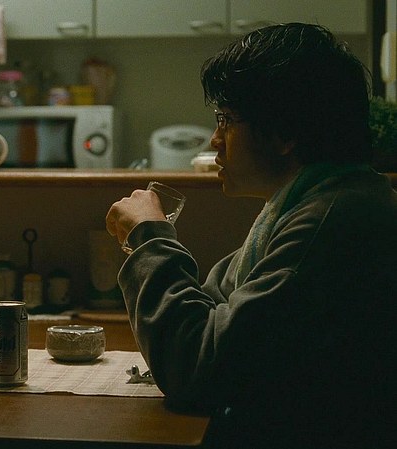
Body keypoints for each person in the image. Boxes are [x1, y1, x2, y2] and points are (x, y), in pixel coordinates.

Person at [105, 23, 397, 449]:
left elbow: (196, 367)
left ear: (284, 133)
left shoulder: (333, 221)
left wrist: (149, 237)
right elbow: (212, 307)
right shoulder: (314, 201)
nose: (214, 140)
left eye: (226, 120)